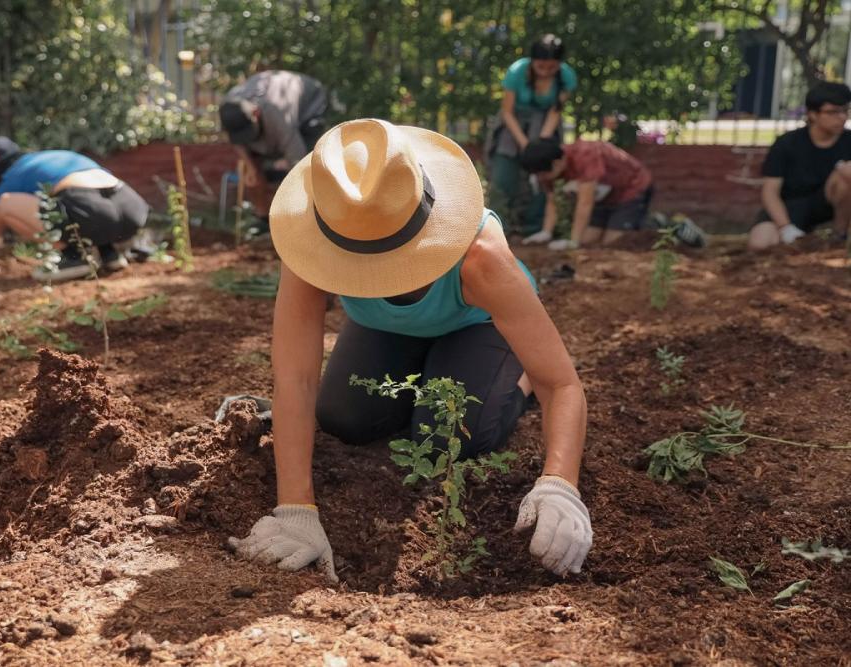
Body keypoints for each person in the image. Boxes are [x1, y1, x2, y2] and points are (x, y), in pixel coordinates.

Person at [227, 119, 592, 581]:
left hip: (476, 324)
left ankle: (511, 371)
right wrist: (295, 510)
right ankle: (432, 368)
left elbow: (561, 382)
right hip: (385, 327)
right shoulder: (313, 243)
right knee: (344, 418)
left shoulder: (480, 256)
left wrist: (560, 483)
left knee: (450, 436)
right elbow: (295, 378)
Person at [0, 137, 149, 282]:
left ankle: (74, 257)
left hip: (89, 209)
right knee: (70, 203)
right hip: (131, 207)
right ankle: (109, 254)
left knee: (5, 204)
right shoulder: (48, 157)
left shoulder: (11, 176)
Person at [488, 35, 577, 238]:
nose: (546, 72)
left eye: (552, 68)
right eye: (541, 67)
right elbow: (507, 112)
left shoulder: (567, 77)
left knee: (545, 173)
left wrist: (541, 145)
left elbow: (556, 110)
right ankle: (498, 228)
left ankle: (536, 228)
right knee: (504, 173)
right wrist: (525, 144)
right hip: (513, 123)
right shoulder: (516, 72)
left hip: (545, 123)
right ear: (532, 62)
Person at [219, 70, 329, 228]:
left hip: (309, 109)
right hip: (271, 121)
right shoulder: (230, 109)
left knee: (305, 168)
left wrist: (290, 165)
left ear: (255, 113)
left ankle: (307, 221)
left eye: (247, 132)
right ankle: (263, 220)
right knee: (252, 174)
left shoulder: (278, 112)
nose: (245, 138)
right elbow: (237, 142)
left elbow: (298, 164)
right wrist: (251, 168)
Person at [749, 81, 851, 250]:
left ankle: (839, 237)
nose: (842, 117)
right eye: (833, 112)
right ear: (812, 114)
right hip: (790, 208)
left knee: (847, 173)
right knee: (760, 243)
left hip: (829, 207)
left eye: (845, 111)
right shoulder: (787, 143)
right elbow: (770, 191)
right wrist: (785, 227)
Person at [520, 138, 653, 249]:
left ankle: (652, 225)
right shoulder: (548, 169)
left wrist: (573, 242)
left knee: (613, 243)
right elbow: (552, 198)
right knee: (588, 240)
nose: (541, 179)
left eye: (542, 174)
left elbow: (585, 202)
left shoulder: (585, 155)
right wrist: (546, 232)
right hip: (604, 196)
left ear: (557, 163)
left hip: (631, 188)